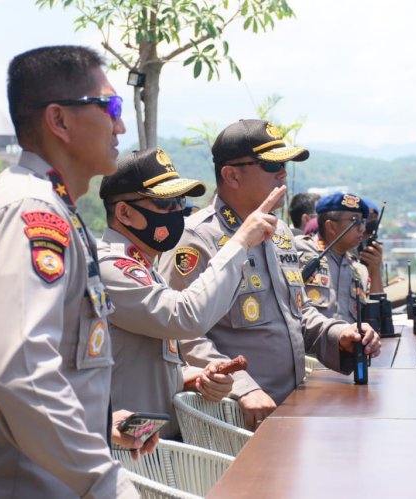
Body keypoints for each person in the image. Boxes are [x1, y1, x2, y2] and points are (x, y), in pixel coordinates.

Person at [0, 45, 150, 498]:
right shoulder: (30, 211)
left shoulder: (50, 207)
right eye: (110, 106)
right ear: (59, 120)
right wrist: (105, 481)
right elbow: (23, 374)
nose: (121, 123)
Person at [160, 119, 381, 429]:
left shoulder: (280, 235)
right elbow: (180, 334)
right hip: (234, 417)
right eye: (270, 165)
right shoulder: (196, 238)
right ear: (231, 175)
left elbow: (299, 314)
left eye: (284, 165)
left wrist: (339, 335)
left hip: (291, 407)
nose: (282, 173)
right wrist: (243, 386)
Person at [97, 147, 284, 438]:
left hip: (151, 443)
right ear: (125, 213)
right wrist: (240, 242)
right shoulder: (110, 266)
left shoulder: (145, 267)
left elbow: (142, 364)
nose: (178, 212)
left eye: (180, 201)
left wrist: (192, 379)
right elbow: (184, 317)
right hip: (126, 449)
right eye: (167, 203)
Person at [294, 192, 384, 323]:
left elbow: (376, 318)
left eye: (363, 221)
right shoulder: (298, 250)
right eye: (355, 221)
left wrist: (375, 271)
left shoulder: (359, 270)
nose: (362, 228)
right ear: (331, 226)